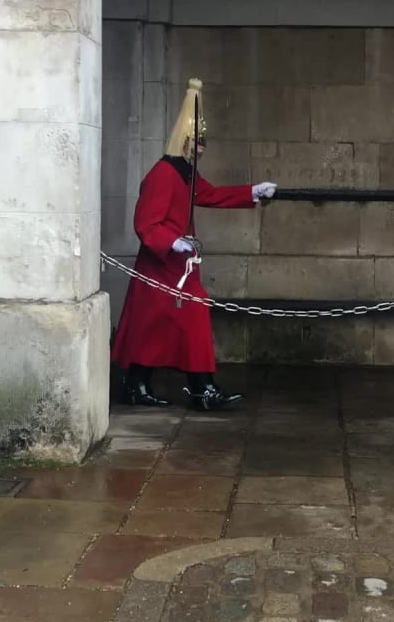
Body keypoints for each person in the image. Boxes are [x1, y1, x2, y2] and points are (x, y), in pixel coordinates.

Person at [111, 77, 277, 410]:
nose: (201, 151)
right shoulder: (163, 174)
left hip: (179, 268)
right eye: (197, 146)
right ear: (185, 143)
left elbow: (210, 194)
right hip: (161, 266)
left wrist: (252, 192)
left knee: (175, 326)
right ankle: (170, 387)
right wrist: (173, 243)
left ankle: (176, 387)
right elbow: (146, 224)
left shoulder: (184, 172)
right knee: (155, 327)